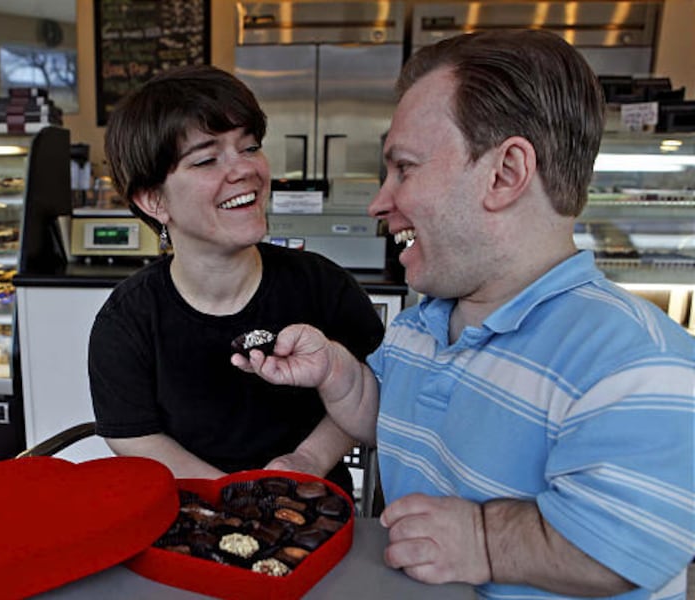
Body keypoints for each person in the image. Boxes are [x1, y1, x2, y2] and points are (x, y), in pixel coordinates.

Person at [233, 30, 695, 599]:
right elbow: (389, 418)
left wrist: (483, 539)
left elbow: (634, 540)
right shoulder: (418, 327)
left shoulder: (636, 361)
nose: (379, 202)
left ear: (505, 173)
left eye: (404, 168)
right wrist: (338, 373)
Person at [88, 65, 384, 498]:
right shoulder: (128, 319)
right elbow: (134, 434)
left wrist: (306, 461)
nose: (244, 169)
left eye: (250, 147)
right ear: (153, 200)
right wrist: (234, 495)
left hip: (311, 507)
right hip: (190, 512)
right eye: (207, 159)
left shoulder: (322, 286)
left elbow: (373, 387)